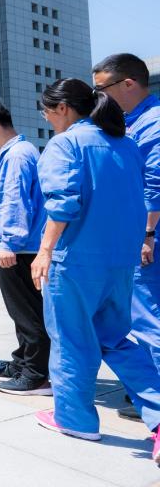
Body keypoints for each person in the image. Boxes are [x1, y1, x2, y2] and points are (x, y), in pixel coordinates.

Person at [31, 78, 160, 465]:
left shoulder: (65, 144)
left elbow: (63, 204)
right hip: (119, 261)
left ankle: (74, 419)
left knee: (71, 339)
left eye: (47, 112)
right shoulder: (126, 143)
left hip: (75, 261)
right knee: (117, 340)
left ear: (63, 109)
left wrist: (44, 251)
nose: (47, 119)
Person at [90, 54, 160, 422]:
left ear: (128, 84)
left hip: (147, 238)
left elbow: (154, 184)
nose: (98, 97)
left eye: (101, 89)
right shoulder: (133, 123)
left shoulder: (153, 123)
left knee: (148, 319)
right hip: (137, 235)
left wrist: (146, 234)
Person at [0, 101, 51, 395]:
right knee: (21, 312)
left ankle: (36, 374)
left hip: (19, 248)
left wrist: (9, 243)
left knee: (27, 312)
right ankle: (22, 362)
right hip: (20, 244)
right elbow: (15, 199)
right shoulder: (17, 152)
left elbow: (17, 201)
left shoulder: (16, 155)